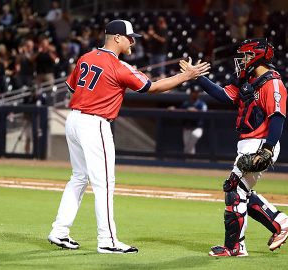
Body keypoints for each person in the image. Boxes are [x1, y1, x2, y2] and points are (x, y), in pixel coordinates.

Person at [48, 19, 210, 254]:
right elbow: (152, 87)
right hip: (95, 122)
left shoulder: (86, 57)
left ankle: (60, 231)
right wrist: (186, 76)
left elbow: (75, 88)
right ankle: (107, 240)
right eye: (129, 37)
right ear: (116, 38)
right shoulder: (118, 66)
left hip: (74, 119)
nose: (133, 41)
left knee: (79, 177)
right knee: (103, 183)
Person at [181, 38, 288, 257]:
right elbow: (222, 95)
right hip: (248, 142)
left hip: (261, 142)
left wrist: (268, 148)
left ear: (257, 57)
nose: (241, 60)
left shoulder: (272, 82)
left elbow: (277, 118)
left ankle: (235, 247)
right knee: (241, 191)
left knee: (233, 189)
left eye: (245, 56)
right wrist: (196, 76)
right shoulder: (247, 80)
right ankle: (281, 223)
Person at [180, 88, 208, 155]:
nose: (195, 94)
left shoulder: (202, 104)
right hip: (187, 128)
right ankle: (190, 161)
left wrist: (196, 110)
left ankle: (185, 158)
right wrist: (173, 109)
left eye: (196, 92)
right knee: (189, 145)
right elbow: (180, 111)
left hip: (197, 128)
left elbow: (205, 113)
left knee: (193, 140)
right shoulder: (186, 103)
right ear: (191, 93)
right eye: (193, 92)